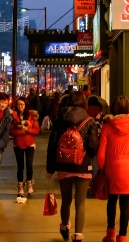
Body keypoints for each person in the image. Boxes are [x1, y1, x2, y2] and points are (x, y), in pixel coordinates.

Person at [46, 90, 99, 242]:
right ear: (84, 103)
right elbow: (93, 146)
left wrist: (50, 168)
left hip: (63, 165)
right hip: (83, 166)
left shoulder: (59, 120)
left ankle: (64, 226)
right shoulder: (89, 121)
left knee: (66, 200)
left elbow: (52, 145)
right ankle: (78, 235)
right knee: (80, 202)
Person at [97, 95, 129, 242]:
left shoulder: (107, 127)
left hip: (112, 170)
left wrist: (102, 168)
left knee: (111, 202)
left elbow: (101, 153)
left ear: (113, 109)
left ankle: (110, 233)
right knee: (125, 205)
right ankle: (122, 237)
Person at [10, 96, 40, 196]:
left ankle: (29, 184)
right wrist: (19, 131)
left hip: (30, 144)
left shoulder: (32, 115)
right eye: (18, 104)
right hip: (18, 144)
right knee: (20, 166)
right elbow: (11, 131)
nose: (20, 106)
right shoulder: (13, 115)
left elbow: (37, 130)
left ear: (26, 105)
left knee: (29, 164)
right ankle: (20, 186)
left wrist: (28, 130)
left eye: (22, 104)